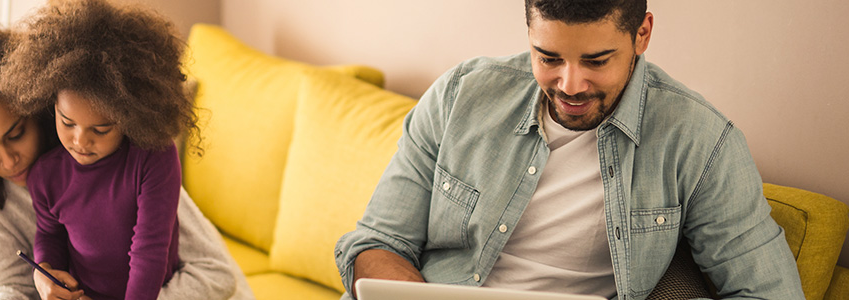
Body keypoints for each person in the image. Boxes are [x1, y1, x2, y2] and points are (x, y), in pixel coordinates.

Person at [334, 1, 804, 299]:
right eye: (548, 58)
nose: (570, 85)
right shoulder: (461, 94)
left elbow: (769, 292)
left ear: (642, 33)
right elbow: (375, 242)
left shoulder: (700, 140)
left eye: (597, 61)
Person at [0, 26, 249, 300]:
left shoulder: (123, 158)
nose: (7, 161)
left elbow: (214, 273)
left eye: (16, 134)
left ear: (41, 107)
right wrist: (43, 279)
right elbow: (4, 284)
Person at [0, 0, 211, 299]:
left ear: (129, 117)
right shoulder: (46, 174)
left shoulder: (154, 157)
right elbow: (50, 233)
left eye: (101, 129)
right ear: (50, 104)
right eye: (67, 122)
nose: (80, 141)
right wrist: (44, 275)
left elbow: (150, 249)